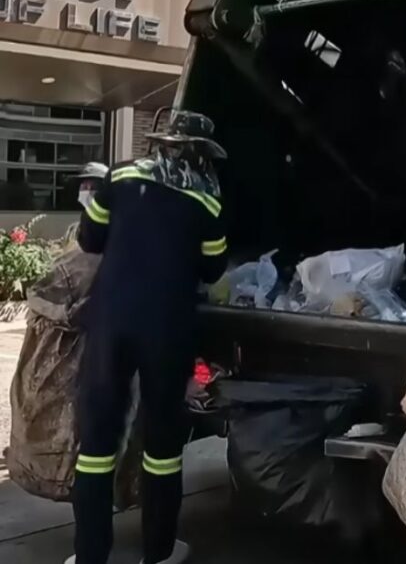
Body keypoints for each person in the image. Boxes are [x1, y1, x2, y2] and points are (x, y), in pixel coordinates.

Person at [67, 111, 229, 564]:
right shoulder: (208, 200)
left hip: (111, 322)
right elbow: (213, 267)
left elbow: (89, 238)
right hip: (167, 329)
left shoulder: (118, 178)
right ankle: (157, 553)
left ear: (161, 141)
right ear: (202, 154)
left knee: (97, 442)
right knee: (162, 445)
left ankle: (89, 556)